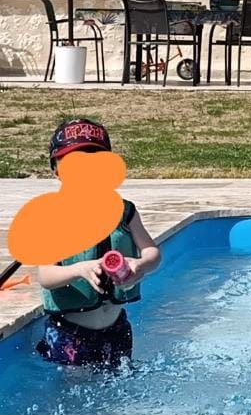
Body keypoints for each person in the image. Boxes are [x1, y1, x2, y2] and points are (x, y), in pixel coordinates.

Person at [35, 118, 161, 368]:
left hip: (117, 328)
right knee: (77, 389)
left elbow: (152, 252)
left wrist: (141, 264)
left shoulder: (125, 212)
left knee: (119, 385)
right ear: (56, 170)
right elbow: (45, 275)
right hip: (70, 333)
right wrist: (80, 269)